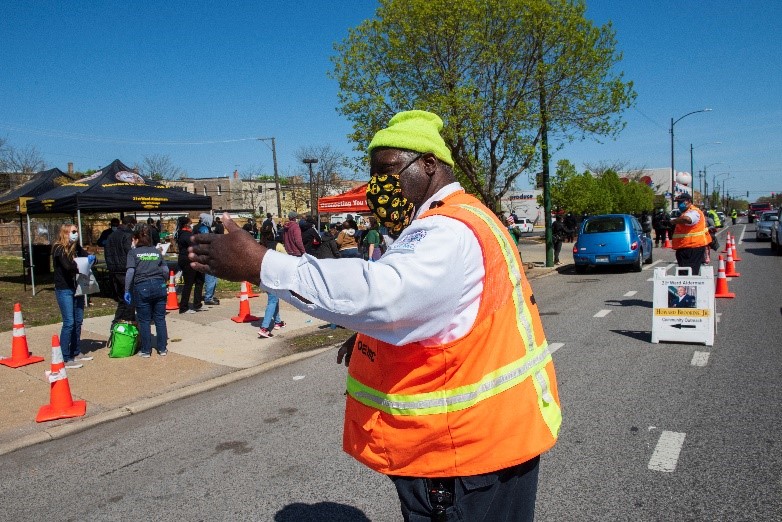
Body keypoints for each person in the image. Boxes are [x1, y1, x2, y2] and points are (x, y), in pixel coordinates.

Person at [188, 109, 561, 521]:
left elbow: (381, 294)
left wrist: (261, 264)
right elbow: (442, 314)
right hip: (486, 444)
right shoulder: (464, 218)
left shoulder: (446, 232)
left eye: (387, 171)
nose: (378, 187)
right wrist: (374, 335)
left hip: (462, 457)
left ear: (429, 165)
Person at [52, 224, 96, 368]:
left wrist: (91, 259)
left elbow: (86, 256)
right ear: (65, 232)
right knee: (69, 322)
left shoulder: (76, 247)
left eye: (76, 231)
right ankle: (65, 356)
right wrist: (81, 265)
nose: (76, 234)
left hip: (77, 287)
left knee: (78, 320)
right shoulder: (58, 248)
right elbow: (68, 266)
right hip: (64, 288)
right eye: (73, 231)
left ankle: (76, 350)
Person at [125, 224, 169, 358]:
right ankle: (162, 349)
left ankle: (146, 350)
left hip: (142, 286)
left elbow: (130, 271)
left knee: (144, 320)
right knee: (160, 318)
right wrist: (164, 281)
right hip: (159, 286)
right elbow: (165, 270)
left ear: (136, 238)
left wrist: (127, 289)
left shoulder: (133, 253)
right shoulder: (156, 252)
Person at [105, 215, 137, 327]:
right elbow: (131, 252)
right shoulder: (127, 235)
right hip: (125, 271)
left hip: (114, 271)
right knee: (129, 299)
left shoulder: (111, 236)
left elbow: (107, 253)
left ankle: (116, 322)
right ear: (130, 224)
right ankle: (128, 323)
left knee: (121, 299)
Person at [257, 224, 288, 338]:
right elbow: (286, 259)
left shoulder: (259, 246)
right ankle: (264, 328)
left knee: (274, 299)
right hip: (274, 278)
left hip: (263, 277)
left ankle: (278, 322)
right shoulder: (277, 245)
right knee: (272, 301)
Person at [671, 193, 711, 276]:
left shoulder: (694, 211)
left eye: (681, 202)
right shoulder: (685, 212)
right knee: (684, 275)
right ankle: (686, 288)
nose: (679, 204)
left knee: (689, 276)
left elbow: (687, 219)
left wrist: (672, 221)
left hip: (693, 248)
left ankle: (689, 289)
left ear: (689, 201)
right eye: (678, 202)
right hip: (685, 248)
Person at [176, 216, 205, 314]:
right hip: (188, 260)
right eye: (190, 222)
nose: (192, 224)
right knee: (188, 283)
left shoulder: (188, 234)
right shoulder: (185, 235)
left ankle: (197, 304)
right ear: (186, 224)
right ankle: (183, 307)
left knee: (200, 280)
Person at [196, 213, 220, 305]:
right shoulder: (204, 229)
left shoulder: (204, 228)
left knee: (213, 276)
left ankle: (210, 295)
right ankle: (208, 297)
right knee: (210, 276)